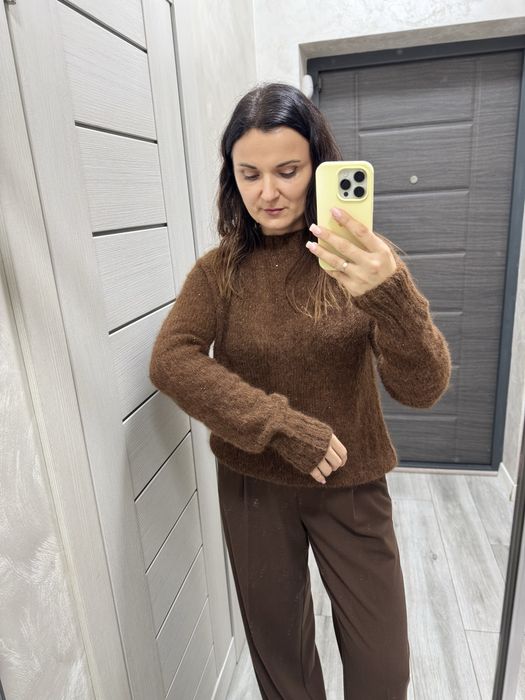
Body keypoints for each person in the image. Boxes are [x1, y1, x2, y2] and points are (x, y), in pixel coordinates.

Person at [149, 82, 452, 700]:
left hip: (352, 483)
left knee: (382, 668)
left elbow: (422, 388)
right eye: (250, 174)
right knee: (281, 658)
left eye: (287, 171)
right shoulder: (219, 272)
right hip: (254, 485)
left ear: (317, 166)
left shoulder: (362, 262)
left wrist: (391, 294)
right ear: (232, 179)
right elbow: (171, 360)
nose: (269, 192)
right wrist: (281, 426)